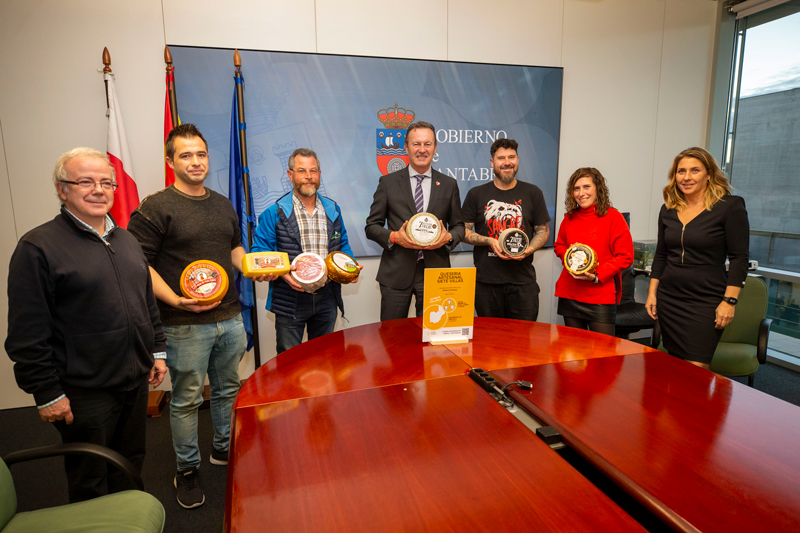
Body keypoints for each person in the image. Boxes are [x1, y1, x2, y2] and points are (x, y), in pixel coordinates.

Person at [5, 148, 167, 502]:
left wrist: (157, 351)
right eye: (86, 182)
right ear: (62, 189)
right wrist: (46, 392)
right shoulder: (37, 247)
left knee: (130, 463)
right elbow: (26, 334)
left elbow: (146, 303)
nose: (98, 190)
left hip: (135, 382)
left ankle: (128, 520)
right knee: (90, 475)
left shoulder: (126, 240)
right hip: (84, 391)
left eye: (106, 182)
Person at [128, 124, 257, 509]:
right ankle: (186, 470)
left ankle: (223, 448)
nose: (196, 161)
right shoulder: (155, 208)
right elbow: (139, 264)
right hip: (182, 324)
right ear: (171, 161)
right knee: (186, 399)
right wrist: (176, 300)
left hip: (230, 317)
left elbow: (234, 250)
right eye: (185, 155)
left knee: (228, 389)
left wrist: (253, 268)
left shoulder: (222, 203)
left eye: (201, 154)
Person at [645, 147, 749, 369]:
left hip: (706, 299)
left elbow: (739, 258)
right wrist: (652, 293)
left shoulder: (729, 206)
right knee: (676, 365)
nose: (686, 177)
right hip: (669, 298)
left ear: (709, 174)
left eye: (695, 170)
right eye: (681, 171)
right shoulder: (668, 209)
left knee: (697, 367)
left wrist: (729, 301)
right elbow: (661, 254)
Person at [251, 148, 362, 354]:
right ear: (290, 174)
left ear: (319, 173)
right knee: (289, 360)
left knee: (324, 357)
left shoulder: (333, 209)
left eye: (313, 170)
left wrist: (351, 267)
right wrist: (283, 272)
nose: (308, 176)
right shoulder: (274, 212)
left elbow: (343, 244)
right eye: (302, 171)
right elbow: (259, 252)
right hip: (289, 299)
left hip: (327, 297)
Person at [365, 121, 465, 320]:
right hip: (396, 273)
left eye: (427, 144)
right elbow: (371, 226)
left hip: (435, 273)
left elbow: (459, 226)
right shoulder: (388, 183)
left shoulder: (449, 184)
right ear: (406, 147)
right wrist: (395, 237)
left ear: (435, 147)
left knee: (434, 335)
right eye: (416, 144)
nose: (422, 149)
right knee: (392, 335)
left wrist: (448, 237)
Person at [461, 138, 551, 320]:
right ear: (492, 162)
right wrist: (489, 240)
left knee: (523, 336)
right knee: (490, 337)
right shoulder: (476, 194)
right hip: (487, 284)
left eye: (511, 157)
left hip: (523, 284)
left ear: (517, 159)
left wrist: (529, 249)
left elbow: (543, 230)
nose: (507, 162)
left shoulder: (533, 193)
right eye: (501, 158)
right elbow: (463, 231)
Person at [553, 167, 633, 335]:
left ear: (598, 188)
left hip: (600, 295)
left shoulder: (614, 217)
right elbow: (559, 245)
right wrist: (571, 261)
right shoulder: (569, 218)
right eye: (576, 188)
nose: (581, 193)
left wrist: (596, 276)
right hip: (570, 293)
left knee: (604, 349)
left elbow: (625, 256)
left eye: (586, 187)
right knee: (572, 348)